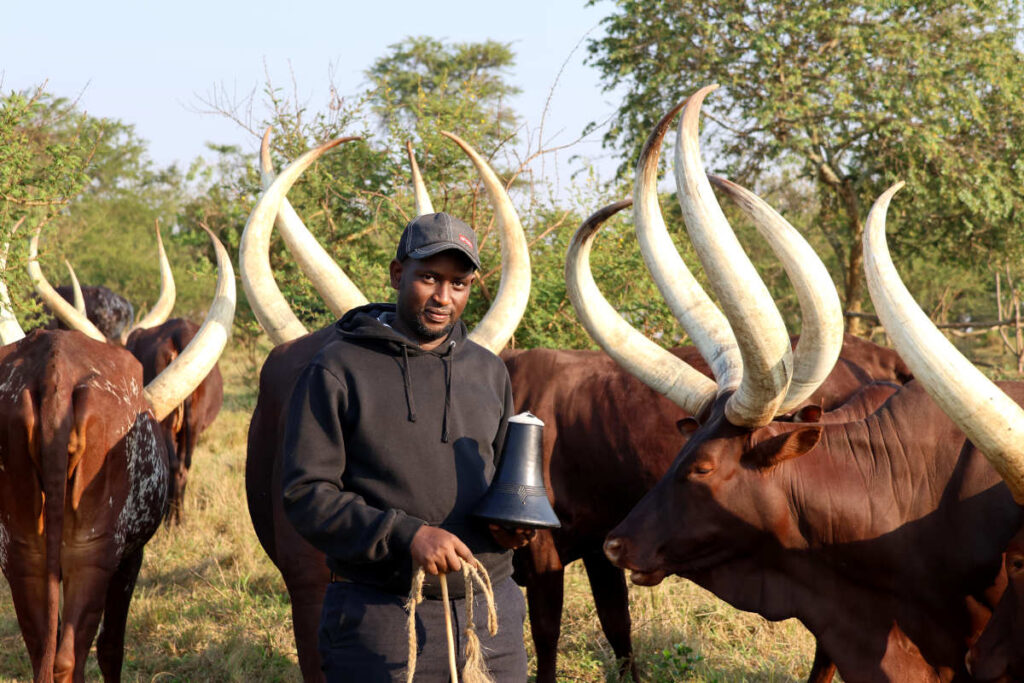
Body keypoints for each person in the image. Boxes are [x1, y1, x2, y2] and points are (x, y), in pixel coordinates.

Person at [281, 211, 534, 682]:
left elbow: (501, 481)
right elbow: (305, 495)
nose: (443, 297)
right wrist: (408, 536)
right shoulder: (337, 368)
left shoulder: (488, 371)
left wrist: (513, 525)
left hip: (490, 615)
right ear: (398, 274)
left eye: (459, 283)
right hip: (382, 617)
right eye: (429, 278)